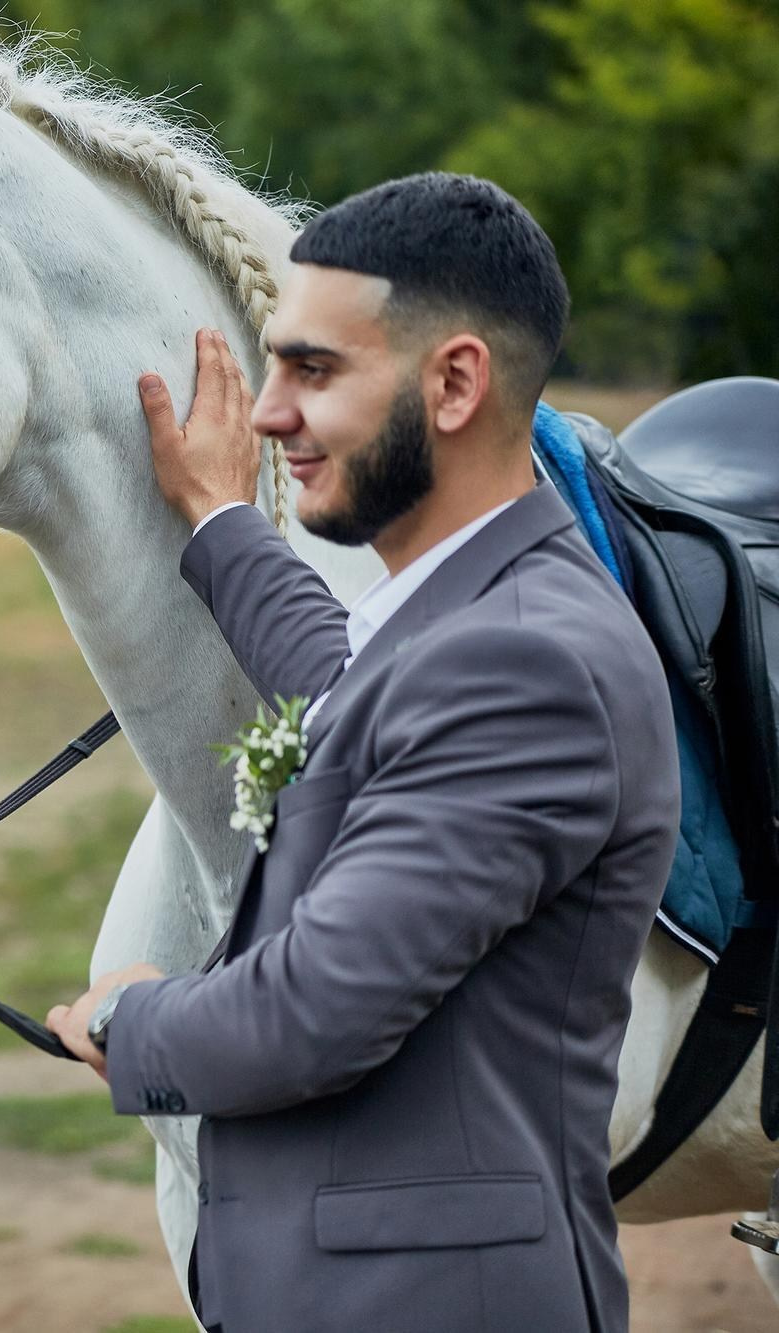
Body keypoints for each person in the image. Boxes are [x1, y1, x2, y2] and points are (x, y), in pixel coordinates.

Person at [47, 174, 679, 1331]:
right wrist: (221, 523)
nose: (269, 411)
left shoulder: (523, 660)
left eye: (313, 371)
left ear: (452, 384)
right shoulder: (470, 621)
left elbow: (312, 1014)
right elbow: (352, 693)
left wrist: (127, 1020)